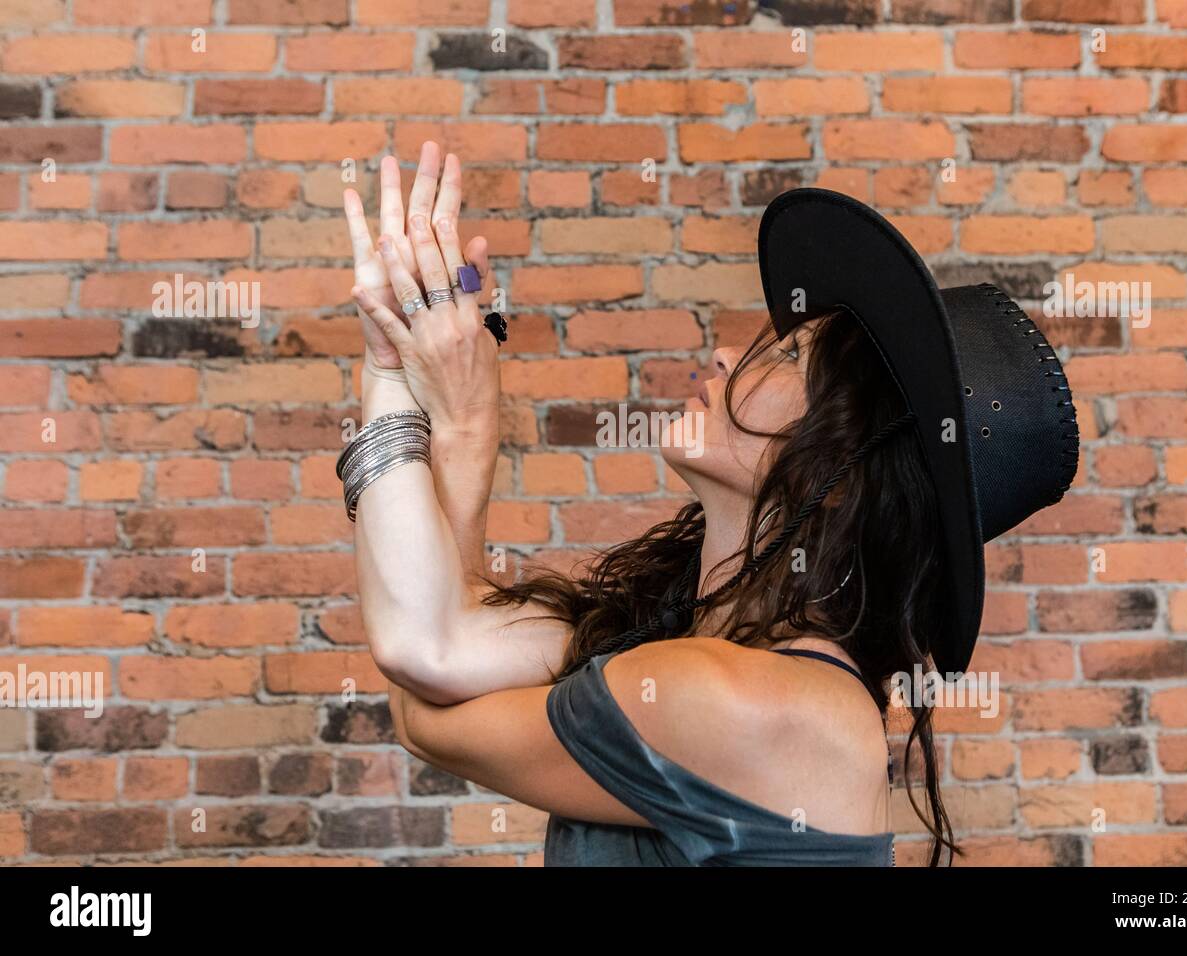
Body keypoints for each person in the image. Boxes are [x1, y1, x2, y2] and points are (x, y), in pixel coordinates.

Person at [340, 141, 1078, 866]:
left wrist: (462, 417)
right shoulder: (674, 639)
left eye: (791, 357)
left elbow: (423, 664)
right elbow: (435, 655)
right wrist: (395, 363)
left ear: (847, 478)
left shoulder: (747, 703)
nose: (729, 353)